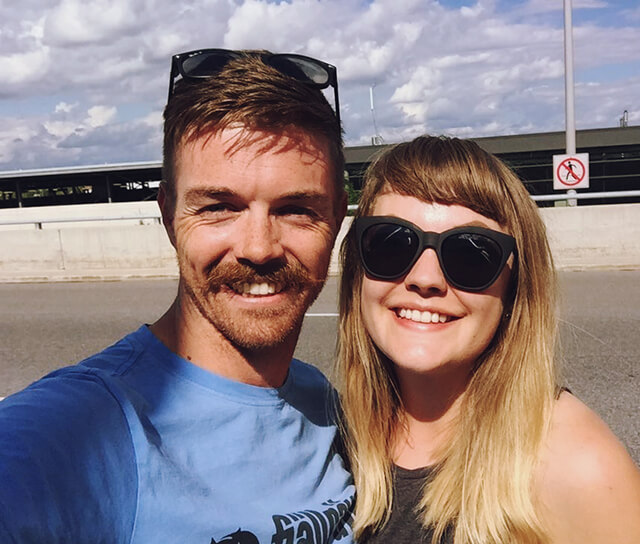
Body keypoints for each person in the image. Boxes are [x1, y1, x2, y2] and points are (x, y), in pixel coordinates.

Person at [0, 49, 355, 543]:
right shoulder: (73, 432)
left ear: (337, 218)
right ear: (168, 216)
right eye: (218, 207)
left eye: (296, 209)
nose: (259, 247)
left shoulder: (322, 405)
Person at [337, 135, 640, 544]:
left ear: (515, 287)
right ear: (356, 269)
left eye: (471, 254)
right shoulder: (328, 433)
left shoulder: (579, 467)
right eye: (390, 244)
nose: (425, 279)